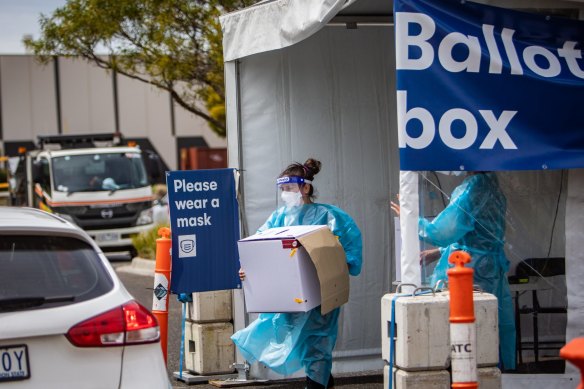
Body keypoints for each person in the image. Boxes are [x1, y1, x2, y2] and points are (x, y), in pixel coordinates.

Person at [232, 158, 363, 389]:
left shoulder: (328, 216)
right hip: (291, 295)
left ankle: (317, 384)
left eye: (290, 189)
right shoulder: (278, 218)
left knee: (317, 341)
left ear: (305, 188)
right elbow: (259, 247)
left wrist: (337, 265)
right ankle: (323, 381)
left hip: (321, 292)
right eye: (282, 189)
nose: (285, 194)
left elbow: (349, 248)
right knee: (297, 340)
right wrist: (248, 269)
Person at [391, 171, 516, 371]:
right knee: (493, 323)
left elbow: (441, 231)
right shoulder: (493, 186)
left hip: (470, 270)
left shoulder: (473, 188)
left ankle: (463, 373)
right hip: (491, 267)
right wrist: (439, 252)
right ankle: (498, 371)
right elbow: (478, 234)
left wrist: (410, 219)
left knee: (465, 327)